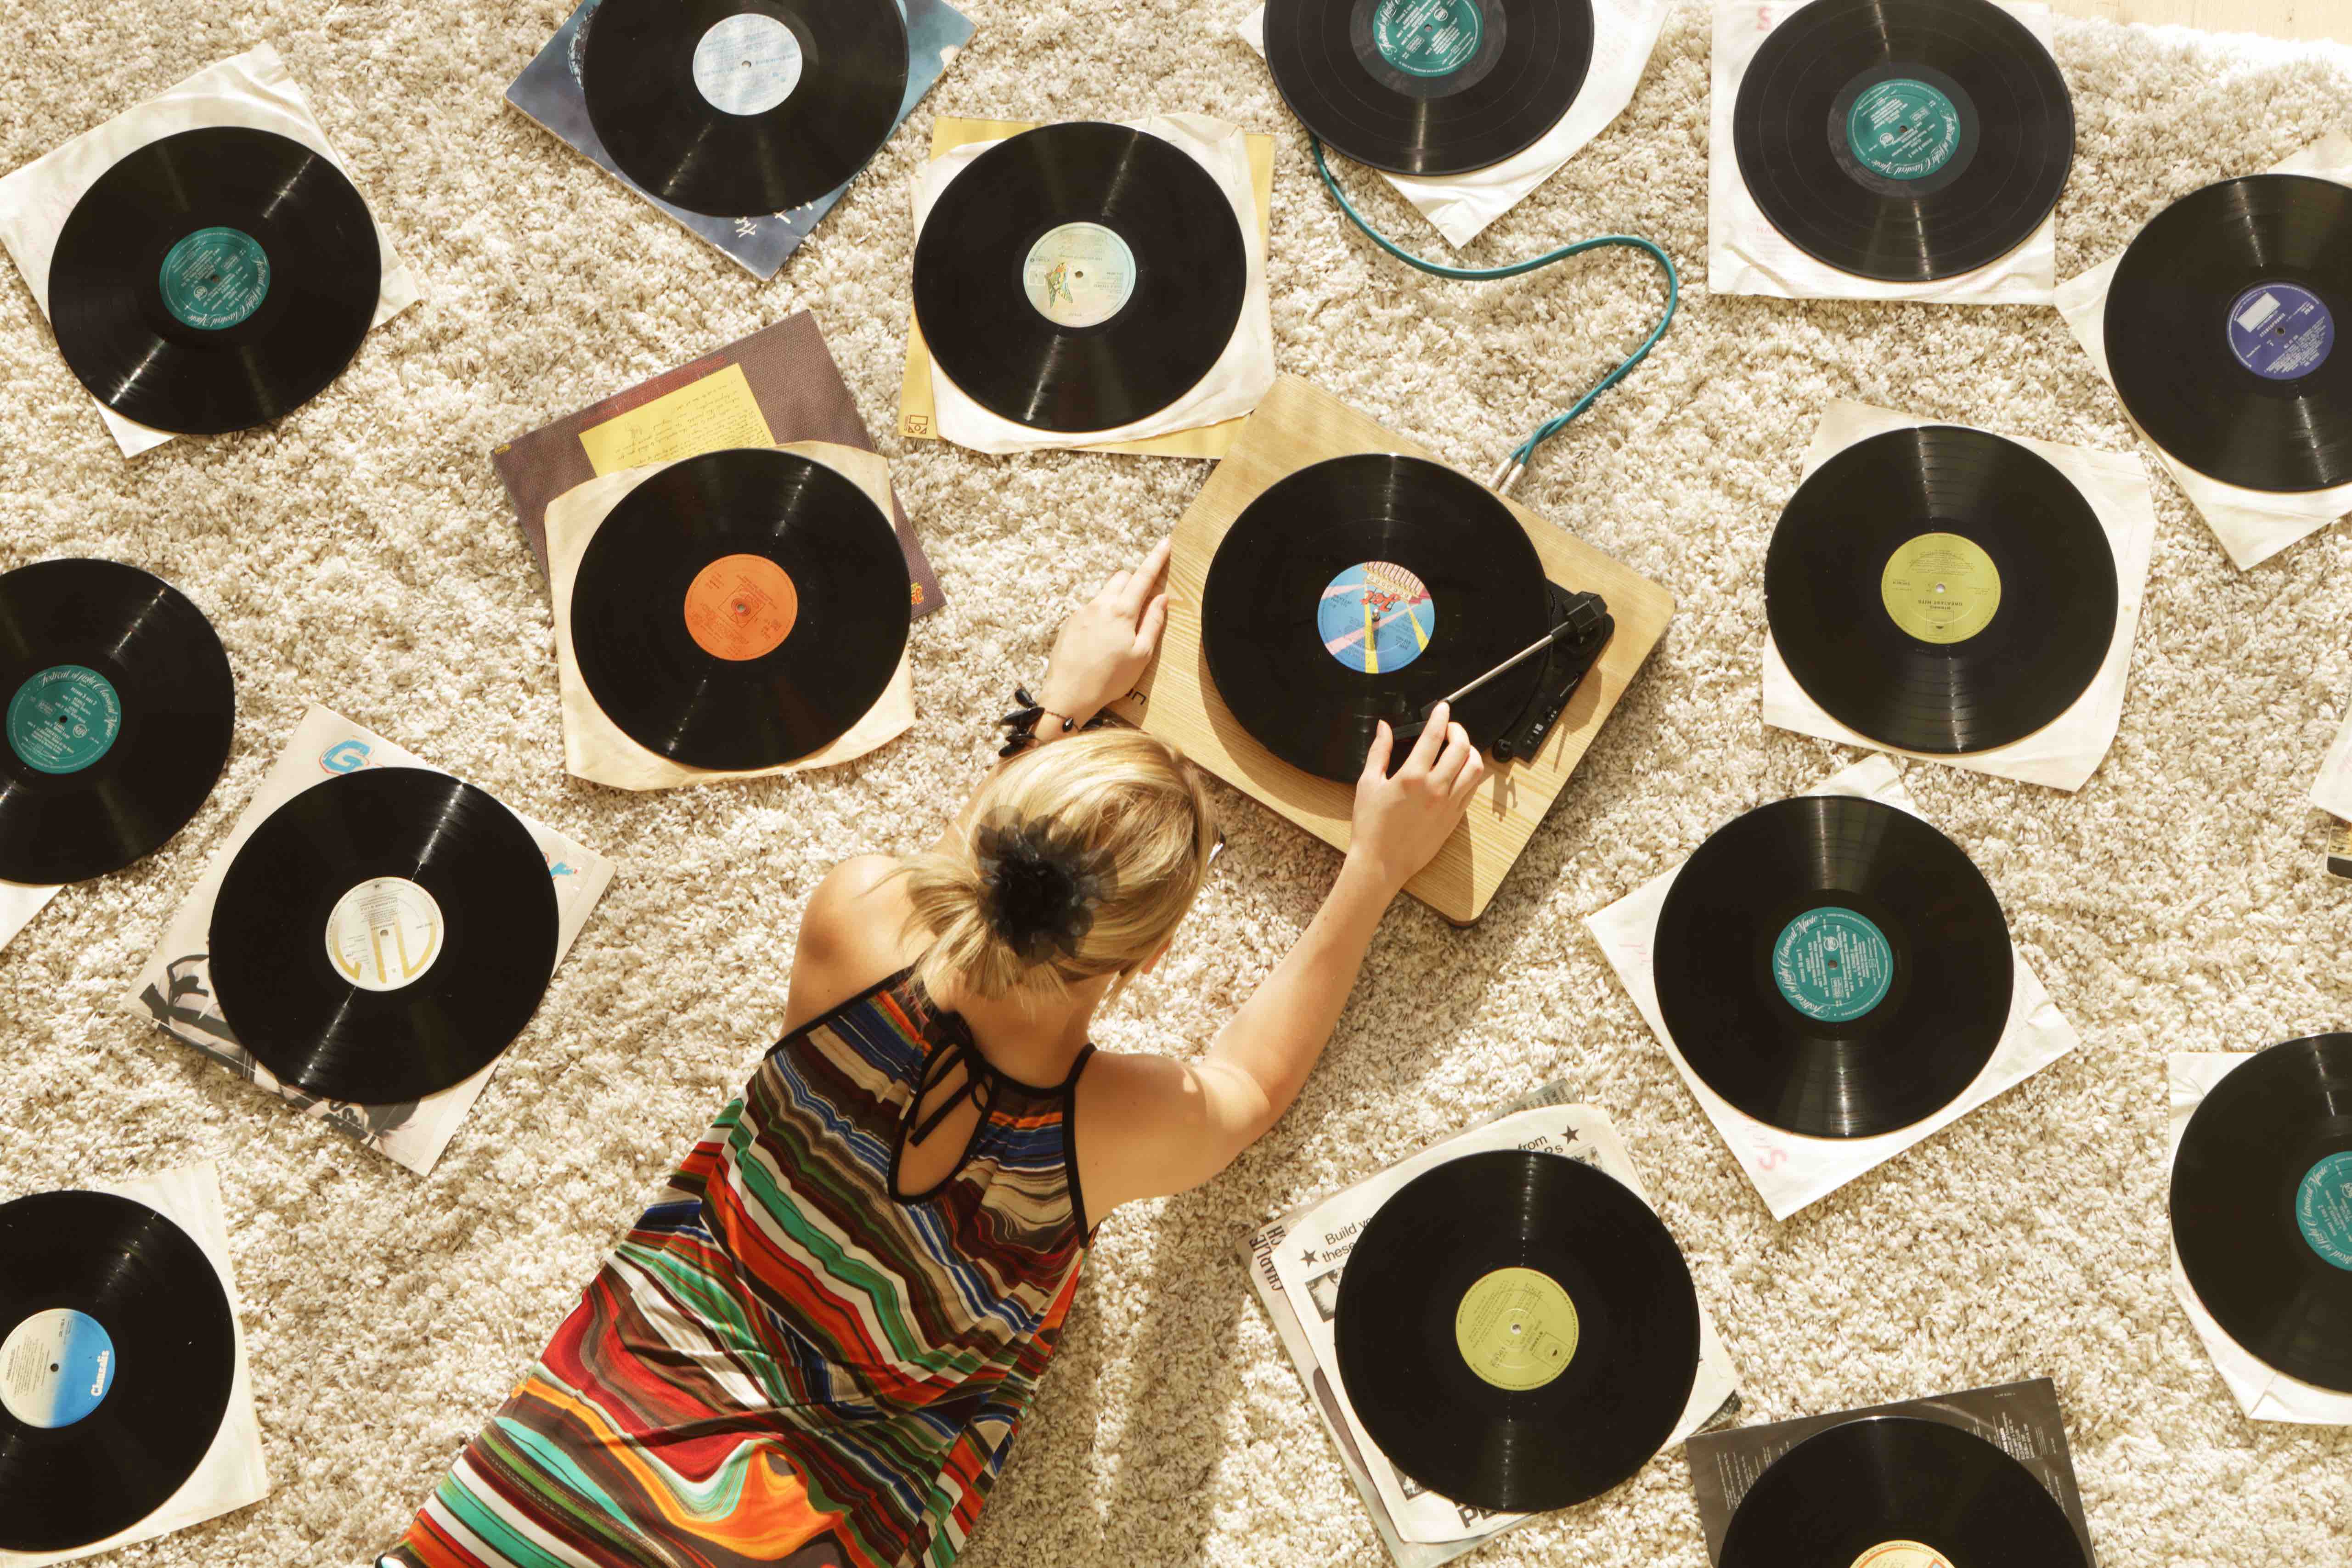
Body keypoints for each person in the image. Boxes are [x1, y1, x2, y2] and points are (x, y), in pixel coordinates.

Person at [380, 539, 1487, 1568]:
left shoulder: (855, 912)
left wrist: (1056, 706)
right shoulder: (1107, 1130)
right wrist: (1372, 870)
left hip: (581, 1444)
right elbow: (1249, 1087)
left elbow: (950, 882)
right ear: (1147, 960)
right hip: (806, 1513)